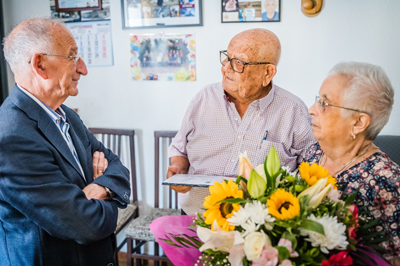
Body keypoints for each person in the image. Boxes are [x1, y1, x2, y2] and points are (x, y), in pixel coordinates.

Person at [0, 18, 131, 266]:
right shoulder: (10, 139)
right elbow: (86, 225)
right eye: (72, 56)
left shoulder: (66, 114)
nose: (82, 68)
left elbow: (116, 166)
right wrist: (110, 199)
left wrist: (100, 189)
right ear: (40, 64)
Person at [167, 29, 315, 215]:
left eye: (239, 62)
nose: (226, 68)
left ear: (268, 73)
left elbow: (311, 172)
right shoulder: (204, 99)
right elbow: (180, 149)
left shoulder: (293, 111)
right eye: (227, 58)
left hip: (261, 230)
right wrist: (178, 169)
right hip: (196, 217)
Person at [303, 62, 400, 265]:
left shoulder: (386, 182)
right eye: (317, 99)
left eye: (324, 103)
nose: (312, 109)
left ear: (358, 123)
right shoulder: (313, 153)